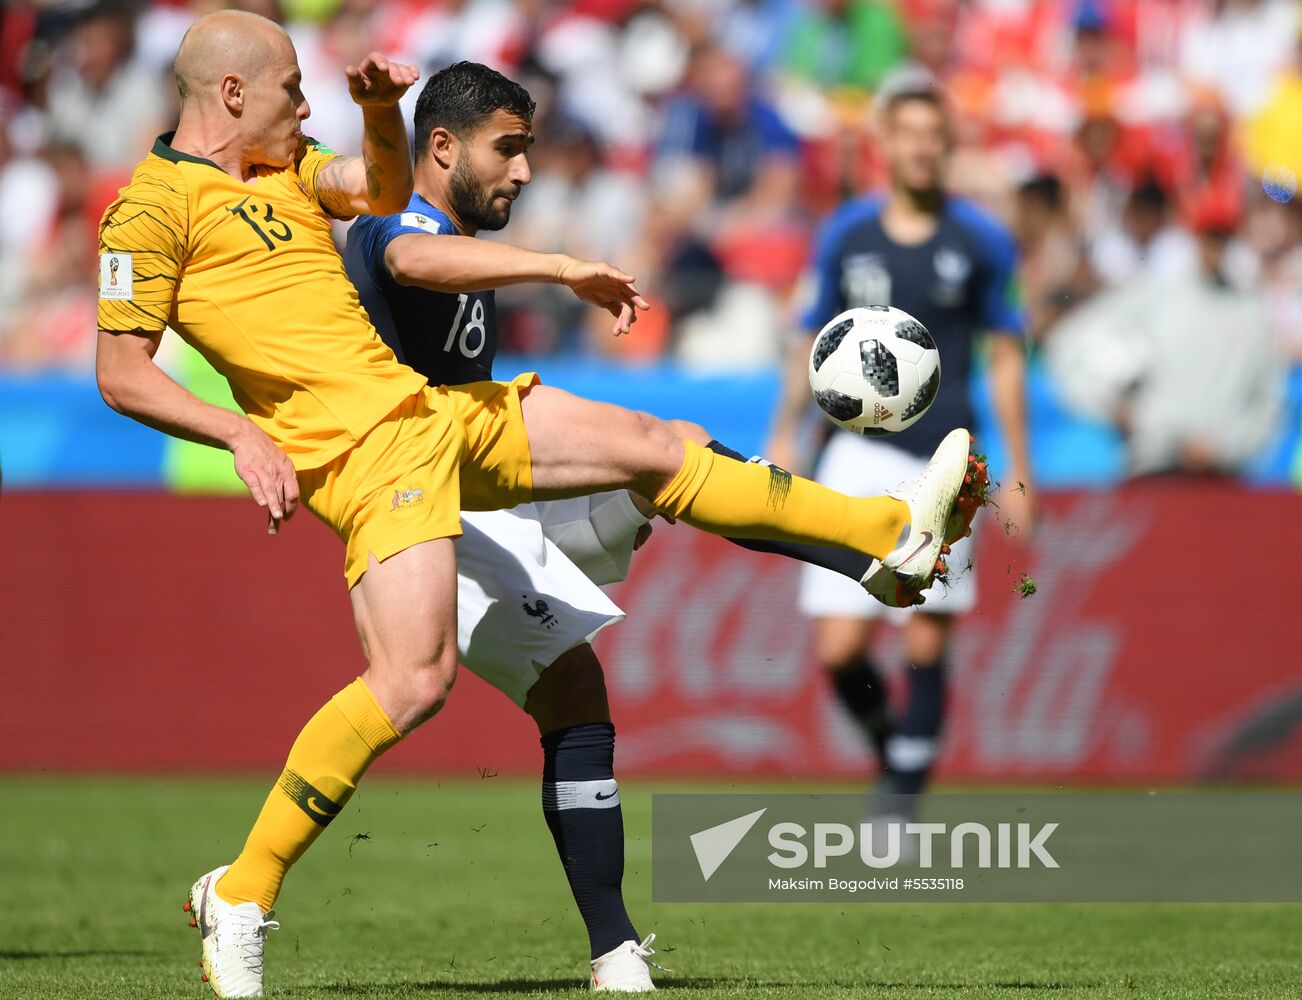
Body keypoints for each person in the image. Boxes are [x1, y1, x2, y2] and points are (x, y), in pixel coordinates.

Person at [95, 14, 982, 998]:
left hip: (431, 413)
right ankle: (243, 890)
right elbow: (121, 372)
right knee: (413, 681)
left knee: (660, 446)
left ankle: (887, 533)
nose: (305, 108)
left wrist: (381, 113)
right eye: (292, 90)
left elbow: (378, 189)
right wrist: (239, 434)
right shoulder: (148, 211)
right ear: (232, 93)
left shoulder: (288, 169)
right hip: (359, 453)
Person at [343, 60, 966, 992]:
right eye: (508, 150)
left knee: (673, 462)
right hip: (426, 517)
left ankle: (873, 560)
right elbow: (405, 256)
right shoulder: (401, 229)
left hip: (489, 499)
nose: (524, 171)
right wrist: (560, 266)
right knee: (444, 687)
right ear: (442, 147)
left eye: (528, 151)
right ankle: (245, 884)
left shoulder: (464, 238)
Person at [769, 67, 1035, 824]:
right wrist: (785, 430)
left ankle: (901, 805)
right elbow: (810, 340)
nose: (920, 148)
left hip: (945, 460)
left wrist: (1021, 470)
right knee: (839, 650)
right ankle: (897, 754)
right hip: (853, 451)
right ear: (883, 143)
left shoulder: (981, 241)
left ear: (949, 144)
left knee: (924, 639)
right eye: (907, 134)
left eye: (933, 135)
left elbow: (1007, 354)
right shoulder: (845, 234)